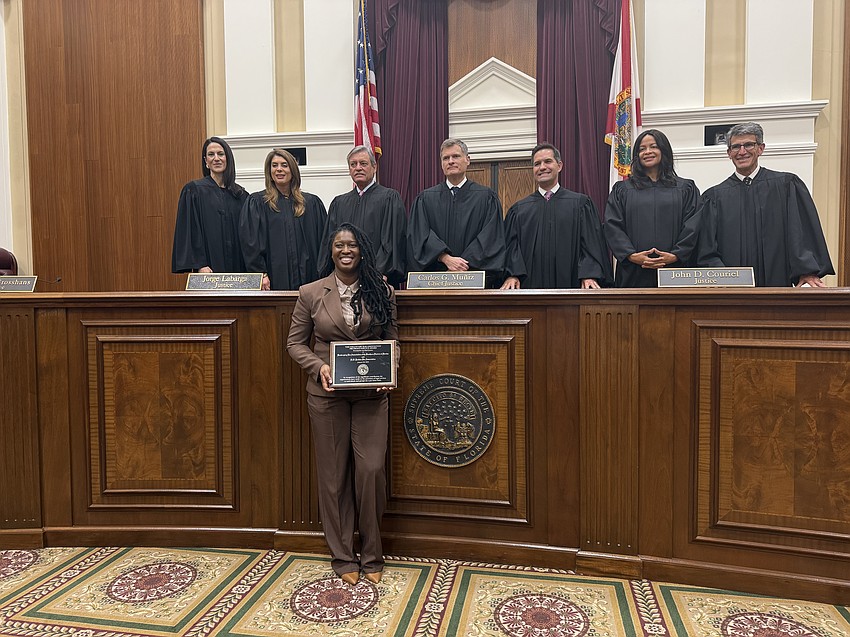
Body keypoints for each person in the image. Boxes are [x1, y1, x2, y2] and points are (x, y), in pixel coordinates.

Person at [286, 222, 399, 586]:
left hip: (371, 397)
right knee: (333, 478)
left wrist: (390, 365)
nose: (346, 250)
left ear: (361, 250)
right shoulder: (310, 293)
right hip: (327, 398)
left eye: (352, 244)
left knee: (370, 472)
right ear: (331, 251)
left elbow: (392, 340)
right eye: (339, 245)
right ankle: (342, 555)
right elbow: (294, 344)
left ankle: (372, 552)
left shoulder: (381, 291)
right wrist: (319, 366)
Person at [695, 122, 833, 287]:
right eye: (736, 147)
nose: (742, 151)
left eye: (748, 145)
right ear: (728, 153)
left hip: (778, 287)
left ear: (761, 148)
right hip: (731, 292)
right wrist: (723, 277)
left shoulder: (786, 185)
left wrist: (807, 271)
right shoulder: (714, 197)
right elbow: (706, 247)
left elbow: (801, 233)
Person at [501, 143, 611, 289]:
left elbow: (591, 244)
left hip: (572, 289)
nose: (542, 167)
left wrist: (589, 274)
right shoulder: (519, 210)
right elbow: (511, 247)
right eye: (537, 164)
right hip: (530, 290)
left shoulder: (581, 204)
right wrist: (512, 274)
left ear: (559, 166)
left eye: (547, 161)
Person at [604, 129, 701, 287]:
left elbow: (693, 224)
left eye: (653, 147)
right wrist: (631, 255)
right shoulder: (622, 190)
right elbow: (612, 225)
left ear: (664, 150)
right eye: (642, 149)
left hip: (675, 272)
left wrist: (676, 254)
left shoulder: (685, 188)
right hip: (633, 272)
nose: (647, 152)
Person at [407, 139, 506, 287]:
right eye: (446, 158)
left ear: (468, 160)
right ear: (441, 164)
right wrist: (445, 258)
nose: (451, 161)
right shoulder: (425, 199)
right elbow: (419, 235)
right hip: (436, 283)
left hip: (474, 282)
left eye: (456, 156)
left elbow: (491, 238)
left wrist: (461, 266)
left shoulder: (486, 198)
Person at [239, 148, 326, 290]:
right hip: (273, 281)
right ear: (269, 171)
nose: (279, 169)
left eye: (284, 165)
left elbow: (323, 243)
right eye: (274, 165)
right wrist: (260, 274)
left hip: (309, 281)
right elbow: (250, 244)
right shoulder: (257, 203)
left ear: (293, 170)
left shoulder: (311, 203)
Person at [319, 146, 407, 286]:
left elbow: (392, 240)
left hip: (378, 279)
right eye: (353, 164)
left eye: (363, 163)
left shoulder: (389, 198)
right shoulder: (339, 203)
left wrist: (378, 272)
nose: (358, 168)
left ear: (374, 167)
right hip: (344, 281)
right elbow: (330, 244)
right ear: (349, 170)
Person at [172, 137, 247, 274]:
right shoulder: (194, 191)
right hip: (208, 270)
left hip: (239, 270)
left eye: (221, 154)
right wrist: (200, 265)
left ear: (228, 159)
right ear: (206, 161)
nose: (216, 158)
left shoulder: (241, 195)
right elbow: (190, 231)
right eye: (211, 155)